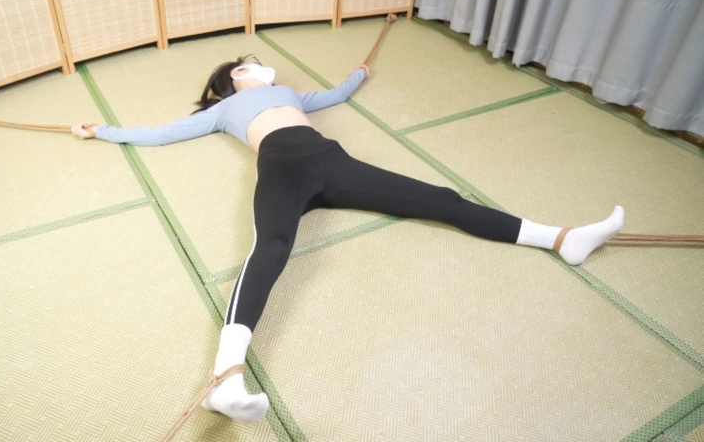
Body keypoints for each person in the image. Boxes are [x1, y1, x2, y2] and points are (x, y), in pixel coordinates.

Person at [71, 55, 624, 424]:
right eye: (249, 63)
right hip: (281, 165)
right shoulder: (222, 110)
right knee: (271, 248)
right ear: (235, 77)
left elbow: (333, 95)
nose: (260, 66)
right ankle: (226, 378)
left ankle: (562, 239)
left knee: (441, 199)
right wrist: (101, 130)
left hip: (333, 161)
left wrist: (357, 76)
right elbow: (160, 134)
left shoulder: (288, 91)